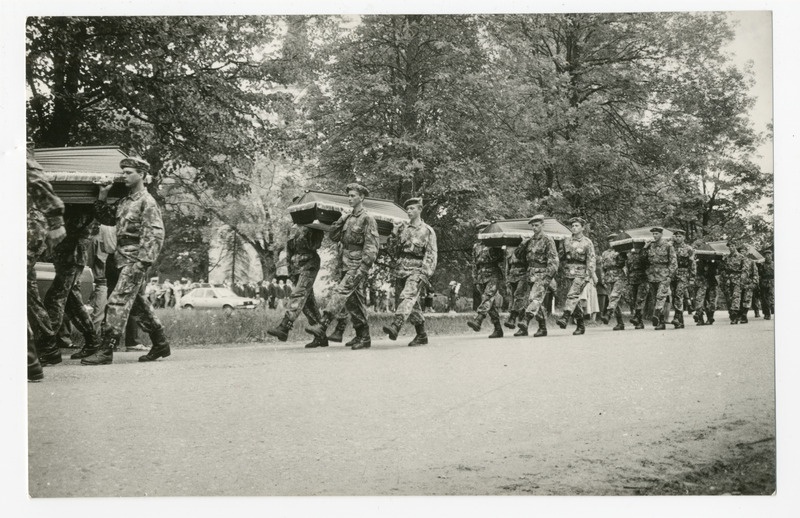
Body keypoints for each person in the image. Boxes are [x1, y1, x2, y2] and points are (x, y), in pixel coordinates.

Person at [81, 157, 170, 365]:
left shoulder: (147, 202)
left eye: (129, 172)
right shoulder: (125, 202)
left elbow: (155, 234)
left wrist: (143, 262)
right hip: (121, 259)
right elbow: (107, 219)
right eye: (123, 172)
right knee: (138, 305)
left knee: (117, 301)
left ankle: (106, 349)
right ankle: (160, 343)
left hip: (135, 260)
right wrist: (103, 194)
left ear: (142, 174)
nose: (124, 176)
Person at [305, 183, 379, 350]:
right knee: (354, 302)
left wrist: (363, 268)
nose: (350, 198)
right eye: (349, 196)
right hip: (345, 264)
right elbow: (333, 236)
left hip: (357, 265)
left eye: (353, 195)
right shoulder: (348, 218)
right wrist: (341, 219)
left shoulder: (368, 219)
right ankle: (363, 336)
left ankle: (323, 324)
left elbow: (372, 247)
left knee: (340, 292)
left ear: (362, 197)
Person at [38, 202, 100, 364]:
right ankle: (92, 342)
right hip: (65, 256)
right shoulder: (74, 206)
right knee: (73, 303)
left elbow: (72, 226)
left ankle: (47, 347)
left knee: (54, 299)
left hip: (72, 257)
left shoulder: (83, 207)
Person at [26, 154, 66, 381]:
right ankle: (41, 352)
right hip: (26, 226)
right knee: (29, 295)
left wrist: (56, 220)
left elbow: (36, 177)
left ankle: (30, 358)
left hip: (26, 228)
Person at [381, 197, 438, 346]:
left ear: (420, 209)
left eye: (412, 208)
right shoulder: (403, 229)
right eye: (408, 209)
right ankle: (422, 335)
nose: (409, 211)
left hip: (417, 269)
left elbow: (431, 254)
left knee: (408, 296)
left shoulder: (427, 231)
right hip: (400, 270)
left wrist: (424, 273)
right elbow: (392, 250)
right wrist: (393, 233)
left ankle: (396, 325)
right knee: (411, 303)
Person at [267, 223, 326, 347]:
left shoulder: (314, 224)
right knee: (307, 303)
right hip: (296, 267)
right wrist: (291, 272)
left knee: (298, 294)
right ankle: (321, 336)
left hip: (309, 264)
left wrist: (309, 228)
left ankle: (284, 327)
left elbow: (315, 245)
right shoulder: (293, 227)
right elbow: (290, 250)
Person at [514, 215, 559, 337]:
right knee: (533, 301)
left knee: (534, 298)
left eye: (537, 225)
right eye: (532, 226)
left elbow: (554, 261)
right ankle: (542, 327)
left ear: (542, 225)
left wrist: (548, 277)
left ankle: (525, 321)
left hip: (542, 274)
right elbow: (518, 255)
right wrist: (523, 243)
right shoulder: (529, 241)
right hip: (530, 274)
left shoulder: (548, 240)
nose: (534, 228)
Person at [555, 217, 597, 335]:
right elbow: (561, 257)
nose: (574, 227)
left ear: (583, 228)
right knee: (574, 299)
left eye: (577, 225)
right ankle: (580, 325)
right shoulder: (566, 241)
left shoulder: (587, 242)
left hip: (582, 273)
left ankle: (565, 316)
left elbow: (591, 259)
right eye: (572, 226)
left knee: (572, 294)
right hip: (569, 273)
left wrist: (589, 274)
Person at [466, 222, 506, 338]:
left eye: (483, 231)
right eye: (479, 231)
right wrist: (475, 278)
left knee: (487, 297)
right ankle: (498, 329)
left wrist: (494, 246)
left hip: (493, 274)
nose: (480, 233)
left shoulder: (495, 245)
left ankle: (478, 319)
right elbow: (474, 263)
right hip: (481, 277)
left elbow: (500, 258)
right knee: (489, 303)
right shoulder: (476, 246)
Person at [643, 227, 677, 330]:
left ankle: (657, 314)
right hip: (652, 276)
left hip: (664, 276)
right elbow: (643, 260)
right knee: (655, 299)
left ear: (661, 234)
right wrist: (645, 247)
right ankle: (661, 322)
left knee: (660, 297)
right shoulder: (650, 246)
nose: (654, 236)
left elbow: (673, 262)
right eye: (653, 234)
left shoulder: (668, 246)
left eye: (656, 234)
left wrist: (670, 276)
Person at [599, 233, 627, 330]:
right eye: (609, 241)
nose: (611, 242)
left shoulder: (620, 252)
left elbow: (622, 263)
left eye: (613, 240)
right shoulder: (605, 253)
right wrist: (603, 278)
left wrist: (620, 254)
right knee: (614, 300)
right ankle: (620, 323)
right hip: (608, 278)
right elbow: (602, 267)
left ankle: (608, 314)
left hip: (618, 276)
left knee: (614, 296)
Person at [668, 229, 695, 329]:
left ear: (683, 237)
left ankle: (676, 317)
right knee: (675, 295)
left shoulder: (688, 249)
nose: (678, 238)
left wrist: (692, 277)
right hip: (673, 275)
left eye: (680, 236)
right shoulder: (670, 247)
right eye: (676, 236)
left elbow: (692, 264)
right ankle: (680, 321)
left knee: (679, 295)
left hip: (683, 274)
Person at [503, 242, 529, 332]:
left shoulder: (526, 245)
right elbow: (507, 266)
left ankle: (512, 318)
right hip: (512, 277)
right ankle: (522, 327)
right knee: (516, 301)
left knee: (519, 297)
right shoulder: (509, 248)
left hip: (523, 275)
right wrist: (507, 281)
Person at [721, 239, 746, 324]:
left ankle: (735, 316)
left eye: (732, 246)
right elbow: (723, 270)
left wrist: (742, 281)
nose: (731, 248)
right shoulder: (726, 258)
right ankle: (732, 314)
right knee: (729, 298)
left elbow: (744, 270)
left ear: (735, 246)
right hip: (728, 280)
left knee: (736, 297)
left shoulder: (741, 257)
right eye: (729, 246)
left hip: (737, 279)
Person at [693, 257, 720, 325]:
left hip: (711, 284)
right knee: (699, 301)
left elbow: (718, 270)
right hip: (701, 283)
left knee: (712, 302)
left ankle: (710, 318)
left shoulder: (714, 263)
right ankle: (700, 318)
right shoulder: (698, 263)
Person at [737, 244, 759, 324]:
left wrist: (754, 282)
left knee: (747, 299)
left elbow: (755, 273)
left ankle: (744, 315)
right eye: (740, 252)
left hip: (748, 284)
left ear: (746, 252)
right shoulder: (736, 262)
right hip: (738, 284)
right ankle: (739, 314)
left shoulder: (751, 262)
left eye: (743, 251)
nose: (742, 253)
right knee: (738, 300)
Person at [758, 249, 774, 319]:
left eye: (769, 255)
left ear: (771, 255)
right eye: (766, 255)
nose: (768, 256)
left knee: (771, 298)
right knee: (764, 299)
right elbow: (759, 274)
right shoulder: (762, 264)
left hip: (772, 282)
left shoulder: (774, 264)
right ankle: (767, 313)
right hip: (764, 282)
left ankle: (772, 309)